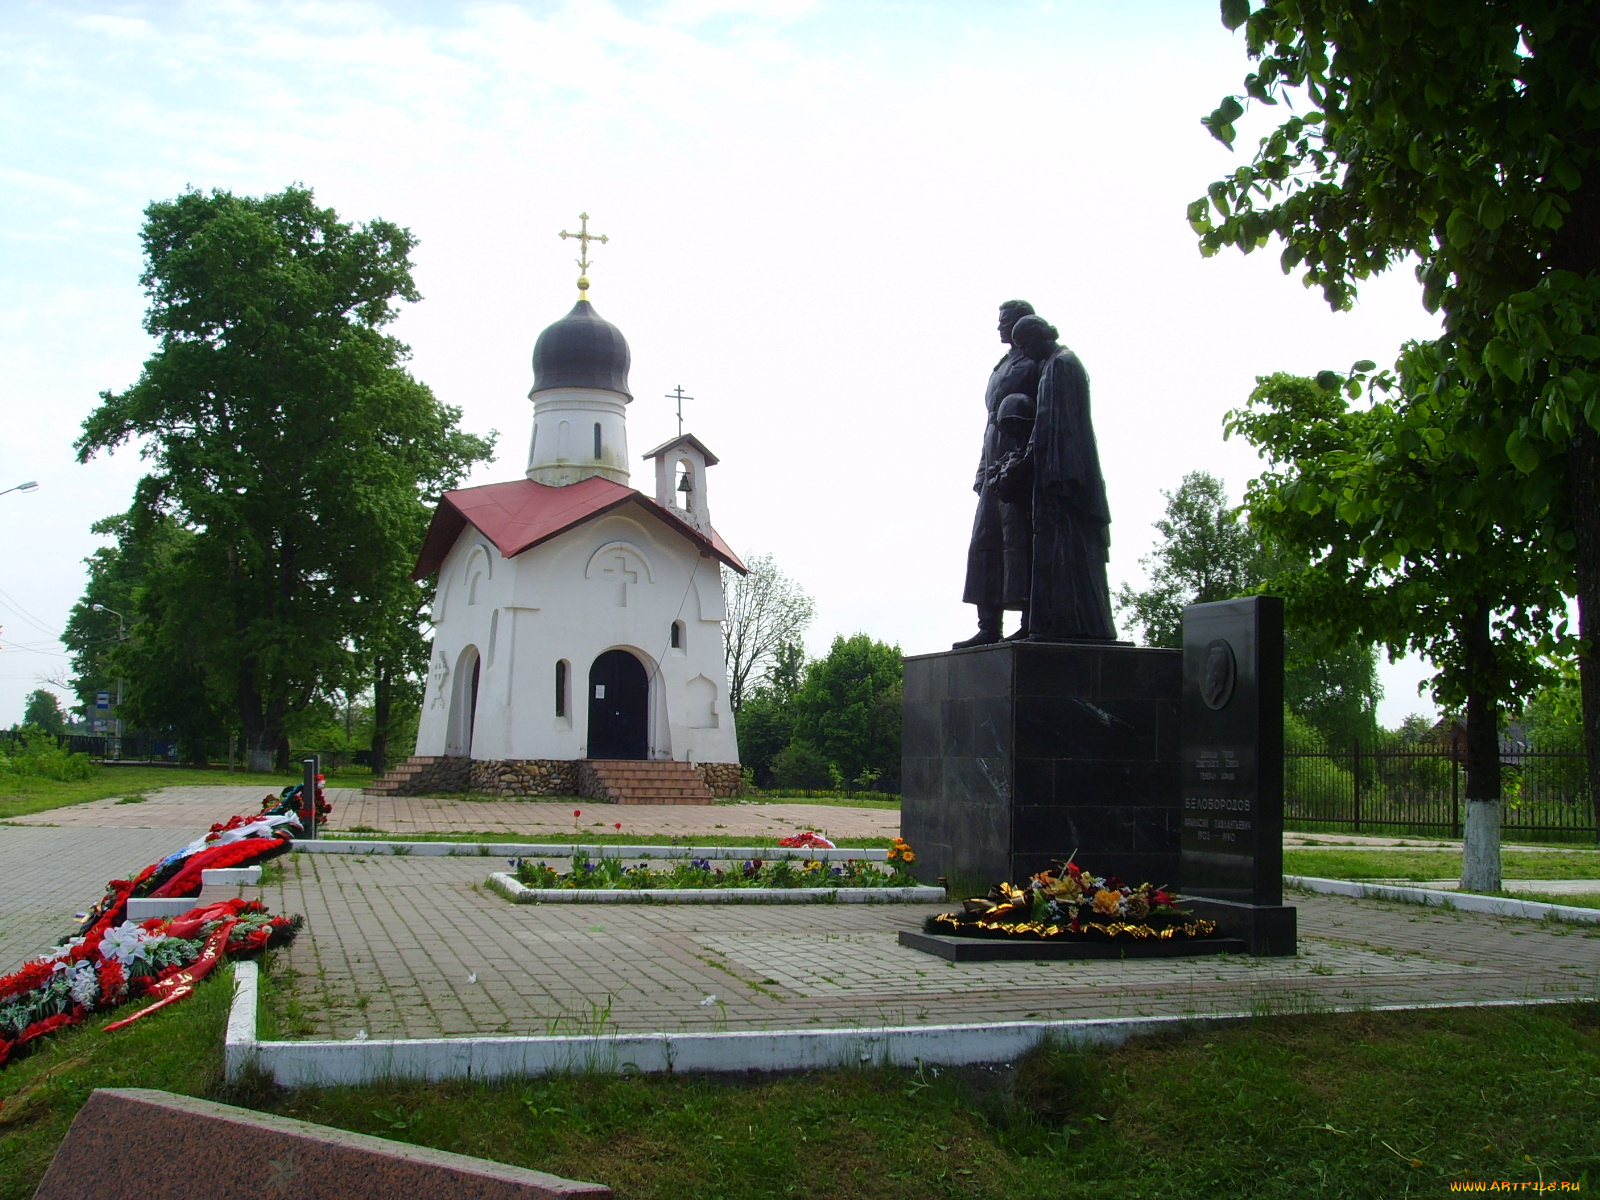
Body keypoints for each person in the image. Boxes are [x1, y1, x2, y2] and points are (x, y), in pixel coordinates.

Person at [1003, 314, 1116, 641]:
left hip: (1063, 478)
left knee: (1063, 551)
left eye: (1025, 345)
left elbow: (1053, 425)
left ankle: (1062, 625)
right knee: (1054, 551)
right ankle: (1051, 624)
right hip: (1057, 473)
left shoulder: (1060, 366)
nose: (1024, 353)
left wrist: (1026, 464)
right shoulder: (1058, 364)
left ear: (1040, 336)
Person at [954, 300, 1040, 648]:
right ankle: (989, 624)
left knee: (1020, 541)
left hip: (1020, 459)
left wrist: (1026, 459)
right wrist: (981, 468)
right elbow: (989, 422)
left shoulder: (1038, 360)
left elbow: (1044, 409)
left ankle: (1031, 619)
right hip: (992, 458)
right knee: (984, 543)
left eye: (1005, 321)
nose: (1000, 327)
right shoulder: (1002, 365)